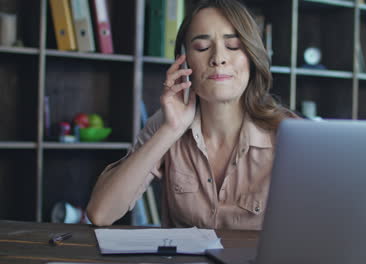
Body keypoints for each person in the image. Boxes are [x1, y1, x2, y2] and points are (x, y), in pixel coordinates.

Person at [86, 0, 297, 230]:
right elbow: (101, 213)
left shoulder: (290, 134)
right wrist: (171, 129)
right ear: (184, 61)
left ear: (252, 58)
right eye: (202, 48)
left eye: (233, 46)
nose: (218, 58)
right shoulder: (166, 123)